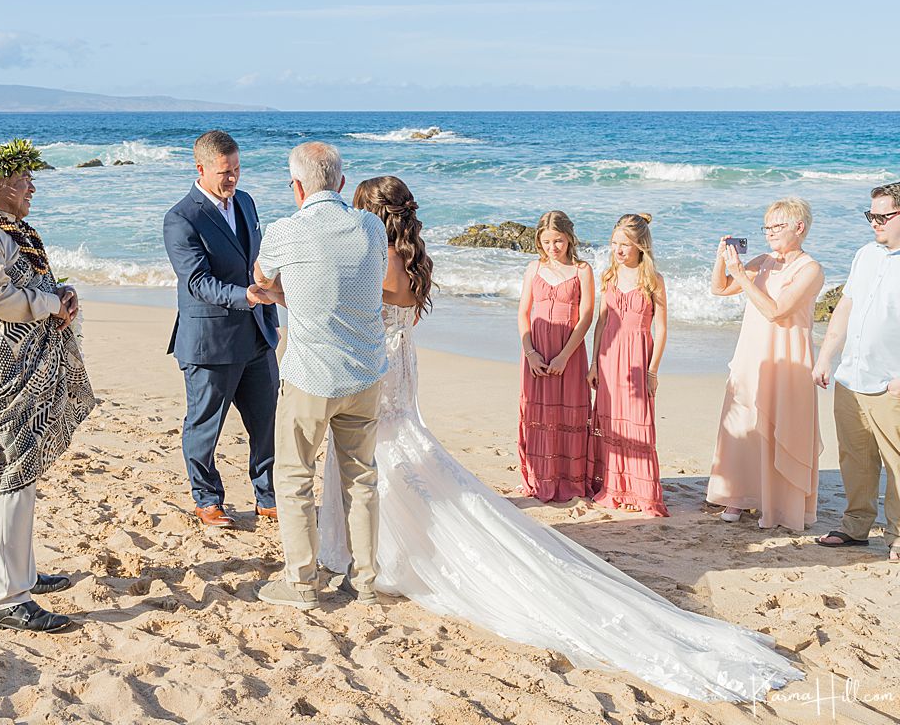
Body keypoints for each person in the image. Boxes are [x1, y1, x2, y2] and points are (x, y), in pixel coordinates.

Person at [316, 177, 802, 702]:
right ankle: (370, 547)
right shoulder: (407, 256)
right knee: (391, 458)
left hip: (383, 376)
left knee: (383, 458)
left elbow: (362, 301)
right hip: (397, 373)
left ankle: (378, 554)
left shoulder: (384, 258)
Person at [0, 139, 95, 632]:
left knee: (23, 475)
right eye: (23, 178)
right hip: (1, 378)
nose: (32, 185)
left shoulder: (7, 231)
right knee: (11, 477)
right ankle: (5, 596)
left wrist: (58, 294)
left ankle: (21, 574)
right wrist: (48, 304)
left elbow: (24, 285)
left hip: (25, 373)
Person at [253, 142, 388, 611]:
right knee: (361, 478)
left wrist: (285, 293)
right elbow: (356, 288)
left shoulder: (285, 231)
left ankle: (302, 582)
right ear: (342, 183)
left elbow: (263, 280)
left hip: (311, 375)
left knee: (293, 476)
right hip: (366, 372)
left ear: (296, 186)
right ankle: (366, 580)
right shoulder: (372, 227)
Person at [163, 131, 279, 528]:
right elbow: (197, 282)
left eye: (237, 170)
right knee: (204, 425)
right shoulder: (181, 218)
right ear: (201, 168)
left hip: (258, 334)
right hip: (210, 342)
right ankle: (207, 499)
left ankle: (268, 497)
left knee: (265, 423)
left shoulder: (246, 202)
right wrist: (246, 295)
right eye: (225, 173)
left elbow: (257, 260)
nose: (233, 180)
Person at [706, 197, 824, 530]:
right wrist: (722, 261)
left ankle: (779, 504)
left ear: (798, 227)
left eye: (777, 226)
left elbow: (776, 310)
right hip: (751, 353)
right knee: (746, 422)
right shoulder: (765, 260)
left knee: (780, 426)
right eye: (767, 226)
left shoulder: (810, 268)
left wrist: (742, 277)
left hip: (786, 359)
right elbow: (719, 288)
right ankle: (739, 496)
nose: (770, 232)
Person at [813, 182, 900, 560]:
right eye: (871, 215)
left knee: (896, 462)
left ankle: (898, 533)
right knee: (855, 457)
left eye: (883, 216)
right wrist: (826, 356)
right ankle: (856, 526)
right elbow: (845, 308)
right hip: (851, 376)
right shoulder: (864, 255)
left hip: (891, 381)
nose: (874, 223)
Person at [588, 214, 669, 516]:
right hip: (609, 357)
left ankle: (640, 490)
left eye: (625, 244)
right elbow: (601, 322)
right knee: (610, 421)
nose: (618, 250)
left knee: (637, 423)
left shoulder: (653, 280)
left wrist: (652, 370)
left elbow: (660, 328)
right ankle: (613, 487)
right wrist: (594, 363)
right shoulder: (609, 276)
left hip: (637, 358)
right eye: (614, 244)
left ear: (640, 246)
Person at [516, 210, 596, 502]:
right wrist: (530, 353)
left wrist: (564, 356)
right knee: (538, 414)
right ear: (539, 240)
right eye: (547, 241)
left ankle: (568, 481)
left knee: (568, 413)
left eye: (558, 241)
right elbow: (523, 313)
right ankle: (538, 477)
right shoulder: (533, 269)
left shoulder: (582, 270)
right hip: (536, 351)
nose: (553, 247)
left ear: (569, 239)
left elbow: (586, 316)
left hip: (569, 352)